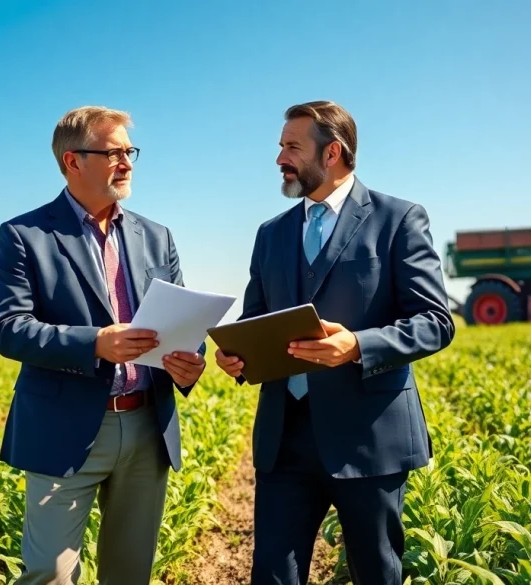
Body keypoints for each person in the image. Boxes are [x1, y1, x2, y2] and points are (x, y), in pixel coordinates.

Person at [215, 100, 455, 585]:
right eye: (281, 146)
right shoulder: (270, 234)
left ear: (332, 153)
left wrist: (358, 345)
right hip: (285, 437)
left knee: (375, 572)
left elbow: (435, 321)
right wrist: (236, 355)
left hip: (368, 435)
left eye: (291, 147)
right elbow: (256, 317)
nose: (280, 157)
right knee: (272, 575)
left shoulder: (399, 219)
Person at [0, 105, 207, 585]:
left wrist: (191, 362)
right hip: (64, 427)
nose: (127, 161)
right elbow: (9, 328)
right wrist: (96, 344)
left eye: (130, 151)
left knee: (129, 573)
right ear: (73, 161)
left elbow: (184, 319)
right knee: (49, 572)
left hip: (148, 424)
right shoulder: (26, 234)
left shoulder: (157, 236)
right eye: (114, 152)